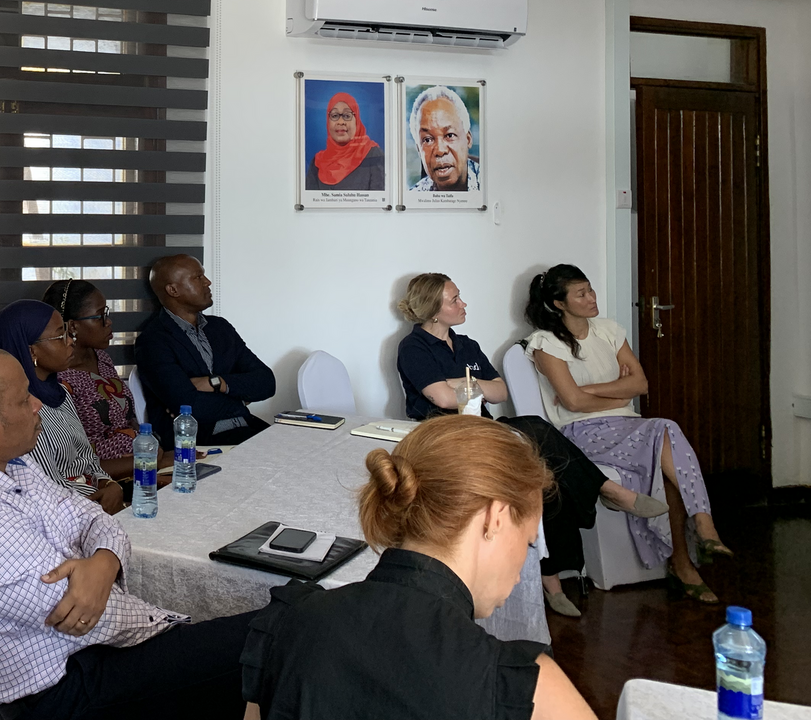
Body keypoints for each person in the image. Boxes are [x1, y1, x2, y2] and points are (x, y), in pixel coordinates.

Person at [0, 347, 256, 720]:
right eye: (23, 399)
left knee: (273, 638)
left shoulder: (15, 466)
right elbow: (85, 614)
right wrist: (164, 622)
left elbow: (93, 518)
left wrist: (103, 563)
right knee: (273, 637)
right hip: (63, 691)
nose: (36, 405)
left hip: (89, 659)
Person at [240, 416, 598, 720]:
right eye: (529, 543)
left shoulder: (286, 622)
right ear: (496, 518)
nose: (522, 570)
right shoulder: (524, 687)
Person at [395, 273, 667, 618]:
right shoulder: (414, 348)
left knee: (545, 472)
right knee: (536, 429)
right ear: (434, 310)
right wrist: (472, 385)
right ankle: (608, 491)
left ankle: (552, 581)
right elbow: (441, 399)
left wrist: (461, 383)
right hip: (443, 435)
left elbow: (500, 391)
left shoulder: (466, 345)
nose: (463, 304)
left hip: (484, 430)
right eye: (454, 300)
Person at [524, 265, 732, 603]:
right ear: (559, 304)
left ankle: (690, 550)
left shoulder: (609, 330)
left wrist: (594, 390)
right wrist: (618, 392)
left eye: (590, 289)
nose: (591, 298)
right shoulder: (546, 343)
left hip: (628, 425)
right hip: (582, 432)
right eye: (581, 294)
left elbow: (640, 385)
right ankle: (698, 536)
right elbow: (573, 403)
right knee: (665, 435)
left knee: (666, 437)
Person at [0, 299, 126, 513]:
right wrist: (96, 500)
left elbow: (88, 459)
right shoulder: (19, 411)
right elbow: (48, 486)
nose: (71, 341)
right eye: (60, 336)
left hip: (93, 502)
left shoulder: (61, 392)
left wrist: (108, 484)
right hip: (66, 514)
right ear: (31, 351)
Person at [135, 255, 276, 445]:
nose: (208, 282)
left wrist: (217, 383)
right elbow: (189, 406)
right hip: (197, 441)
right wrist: (241, 400)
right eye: (198, 277)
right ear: (173, 290)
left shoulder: (220, 328)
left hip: (246, 427)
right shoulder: (153, 341)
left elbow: (267, 382)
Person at [44, 278, 172, 478]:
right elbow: (74, 465)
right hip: (110, 478)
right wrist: (147, 461)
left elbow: (127, 421)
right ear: (73, 326)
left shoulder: (101, 358)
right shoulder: (59, 379)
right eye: (100, 316)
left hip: (144, 459)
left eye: (107, 313)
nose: (109, 322)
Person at [306, 91, 385, 190]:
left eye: (347, 116)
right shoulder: (317, 162)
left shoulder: (373, 155)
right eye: (334, 116)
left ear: (357, 121)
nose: (340, 122)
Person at [408, 85, 480, 192]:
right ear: (419, 149)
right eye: (427, 140)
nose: (440, 151)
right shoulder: (414, 196)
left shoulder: (491, 186)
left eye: (449, 135)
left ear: (468, 139)